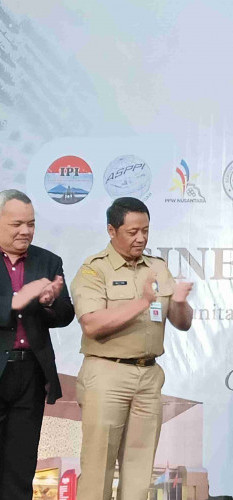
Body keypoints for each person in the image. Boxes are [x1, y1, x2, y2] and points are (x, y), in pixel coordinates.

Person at [70, 197, 194, 500]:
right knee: (98, 464)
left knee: (140, 467)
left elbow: (183, 323)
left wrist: (179, 302)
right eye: (132, 232)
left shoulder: (158, 267)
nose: (141, 238)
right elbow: (92, 324)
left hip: (148, 376)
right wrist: (142, 302)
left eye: (146, 230)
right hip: (107, 373)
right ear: (112, 231)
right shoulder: (94, 270)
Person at [0, 189, 75, 500]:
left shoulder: (48, 260)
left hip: (30, 373)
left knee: (20, 466)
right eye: (17, 224)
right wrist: (18, 300)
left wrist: (48, 302)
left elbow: (66, 314)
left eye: (30, 224)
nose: (25, 231)